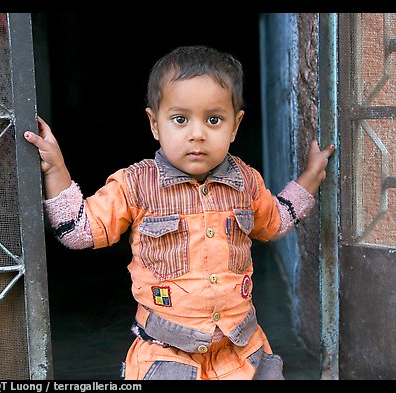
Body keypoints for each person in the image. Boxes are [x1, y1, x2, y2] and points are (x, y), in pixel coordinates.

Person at [25, 45, 335, 380]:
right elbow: (79, 231)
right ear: (155, 124)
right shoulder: (135, 184)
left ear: (235, 126)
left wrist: (309, 179)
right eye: (180, 119)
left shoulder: (246, 181)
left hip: (240, 350)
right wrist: (56, 169)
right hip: (167, 351)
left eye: (214, 119)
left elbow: (274, 222)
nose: (197, 133)